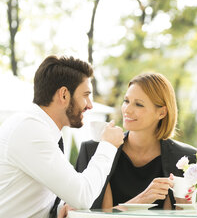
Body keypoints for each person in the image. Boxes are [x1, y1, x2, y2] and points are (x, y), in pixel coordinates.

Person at [0, 55, 124, 218]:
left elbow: (39, 191)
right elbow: (83, 196)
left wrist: (60, 208)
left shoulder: (41, 129)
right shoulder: (30, 130)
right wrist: (108, 145)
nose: (90, 104)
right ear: (64, 95)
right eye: (86, 95)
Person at [76, 72, 197, 210]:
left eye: (139, 104)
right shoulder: (93, 151)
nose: (127, 110)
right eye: (126, 101)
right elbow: (86, 215)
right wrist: (142, 200)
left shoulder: (186, 159)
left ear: (162, 113)